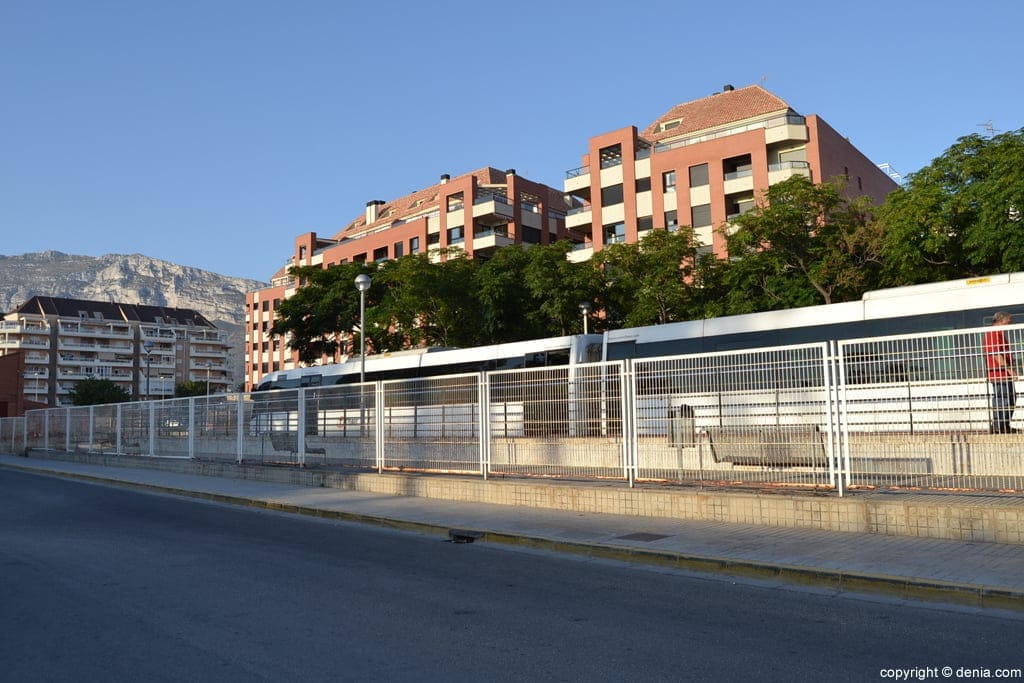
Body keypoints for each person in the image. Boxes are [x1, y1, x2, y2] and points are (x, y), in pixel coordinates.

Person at [983, 311, 1018, 434]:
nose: (1009, 324)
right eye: (1009, 321)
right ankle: (999, 426)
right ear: (1001, 320)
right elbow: (996, 354)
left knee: (1009, 398)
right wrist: (1009, 369)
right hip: (998, 373)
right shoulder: (993, 333)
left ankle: (1003, 425)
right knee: (1002, 399)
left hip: (1002, 373)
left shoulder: (999, 334)